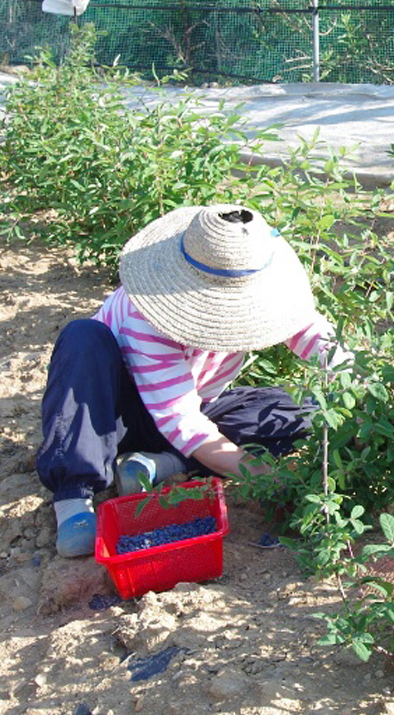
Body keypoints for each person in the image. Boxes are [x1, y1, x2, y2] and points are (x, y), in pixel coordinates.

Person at [36, 203, 350, 558]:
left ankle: (159, 465)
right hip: (112, 420)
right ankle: (74, 498)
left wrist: (360, 384)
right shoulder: (146, 313)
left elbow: (307, 329)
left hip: (195, 404)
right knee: (82, 337)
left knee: (305, 409)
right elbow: (181, 422)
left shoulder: (261, 292)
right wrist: (266, 476)